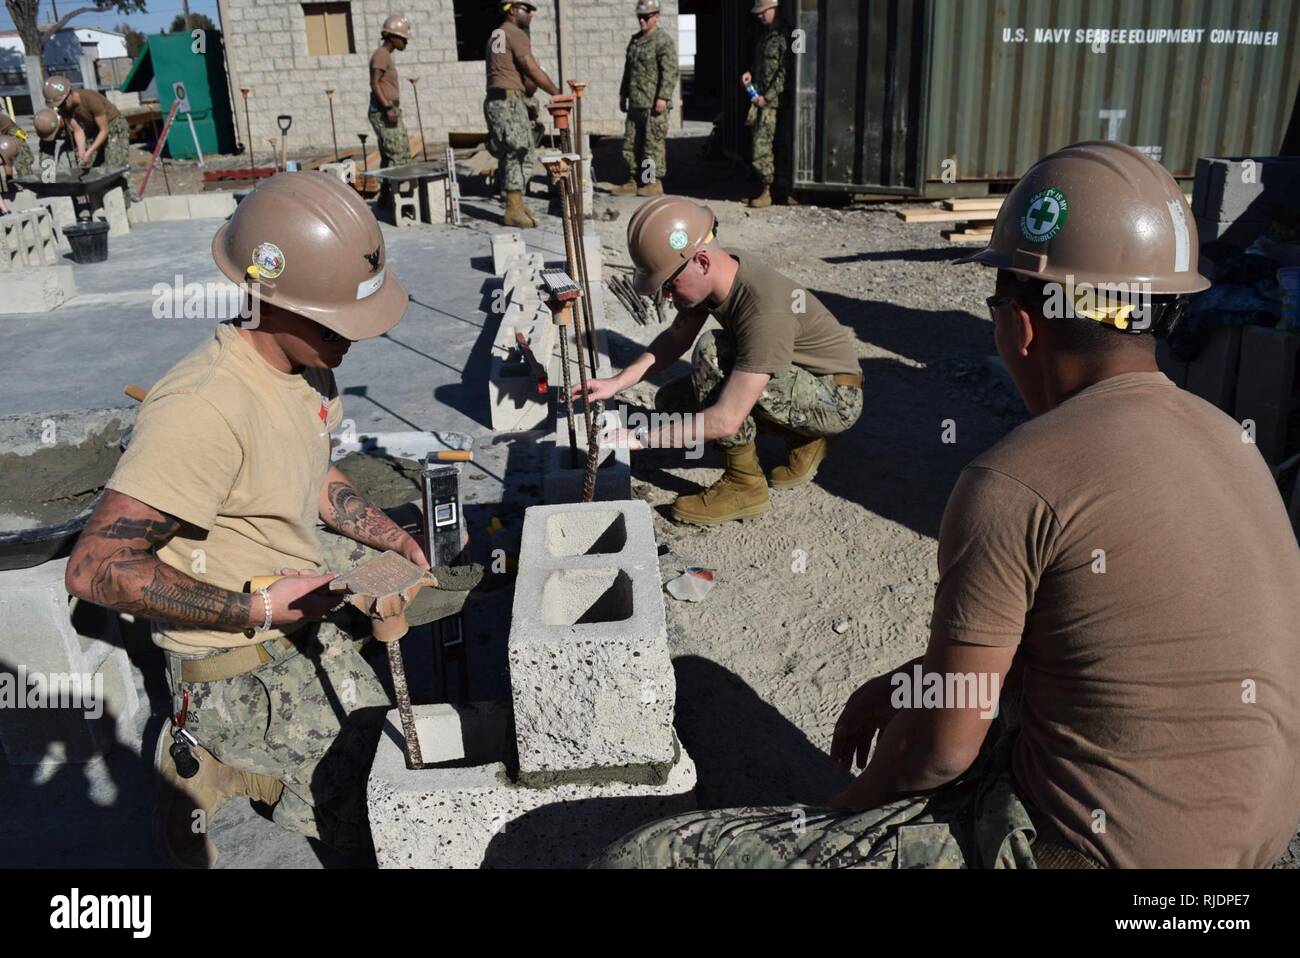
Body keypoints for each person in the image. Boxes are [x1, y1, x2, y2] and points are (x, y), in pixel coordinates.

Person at [595, 141, 1300, 868]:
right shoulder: (1229, 439)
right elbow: (1081, 638)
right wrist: (913, 681)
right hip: (1262, 848)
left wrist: (844, 818)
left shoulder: (1017, 479)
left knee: (647, 857)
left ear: (1020, 328)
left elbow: (939, 750)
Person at [65, 172, 424, 868]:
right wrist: (257, 607)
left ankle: (208, 782)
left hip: (294, 630)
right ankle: (211, 764)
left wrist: (387, 534)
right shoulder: (204, 407)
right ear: (268, 298)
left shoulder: (309, 362)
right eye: (333, 323)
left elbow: (310, 470)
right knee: (378, 823)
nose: (351, 340)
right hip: (238, 674)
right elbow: (95, 568)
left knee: (391, 787)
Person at [577, 196, 862, 526]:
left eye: (669, 285)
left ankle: (745, 485)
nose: (667, 296)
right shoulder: (719, 272)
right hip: (796, 377)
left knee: (711, 352)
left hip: (836, 398)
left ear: (701, 261)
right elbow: (674, 339)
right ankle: (799, 435)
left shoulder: (763, 310)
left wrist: (639, 437)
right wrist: (618, 382)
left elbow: (725, 421)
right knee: (674, 402)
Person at [484, 0, 560, 228]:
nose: (531, 15)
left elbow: (519, 74)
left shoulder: (498, 34)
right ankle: (513, 208)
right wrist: (556, 93)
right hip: (507, 102)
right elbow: (530, 67)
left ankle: (516, 202)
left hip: (501, 100)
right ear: (513, 10)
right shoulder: (514, 32)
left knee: (519, 151)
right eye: (527, 10)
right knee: (517, 152)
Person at [614, 0, 678, 197]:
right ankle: (634, 179)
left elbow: (670, 72)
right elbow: (628, 71)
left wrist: (663, 97)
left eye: (646, 17)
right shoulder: (635, 41)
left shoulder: (663, 41)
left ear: (656, 16)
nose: (642, 20)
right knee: (631, 143)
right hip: (636, 102)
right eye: (640, 17)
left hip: (653, 104)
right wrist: (623, 93)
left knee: (652, 145)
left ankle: (652, 182)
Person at [741, 0, 788, 208]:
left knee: (762, 146)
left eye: (763, 12)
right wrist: (750, 73)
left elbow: (784, 72)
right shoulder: (765, 36)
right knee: (759, 143)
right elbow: (761, 64)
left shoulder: (785, 36)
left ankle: (768, 192)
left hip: (771, 102)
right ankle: (764, 187)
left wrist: (767, 97)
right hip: (759, 98)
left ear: (774, 9)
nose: (759, 16)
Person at [369, 14, 414, 206]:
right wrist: (387, 106)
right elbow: (374, 83)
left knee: (390, 156)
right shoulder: (381, 55)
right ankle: (398, 201)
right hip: (383, 110)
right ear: (393, 36)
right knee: (398, 155)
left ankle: (386, 199)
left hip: (389, 109)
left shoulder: (386, 55)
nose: (405, 42)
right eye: (403, 38)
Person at [43, 76, 129, 170]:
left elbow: (104, 130)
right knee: (93, 166)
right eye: (58, 106)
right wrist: (82, 152)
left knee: (115, 165)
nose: (62, 107)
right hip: (93, 128)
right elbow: (78, 131)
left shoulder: (91, 99)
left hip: (113, 125)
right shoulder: (64, 109)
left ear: (70, 94)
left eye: (62, 104)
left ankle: (122, 182)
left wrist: (90, 151)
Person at [0, 109, 33, 178]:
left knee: (22, 161)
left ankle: (26, 182)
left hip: (12, 131)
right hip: (6, 129)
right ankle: (10, 182)